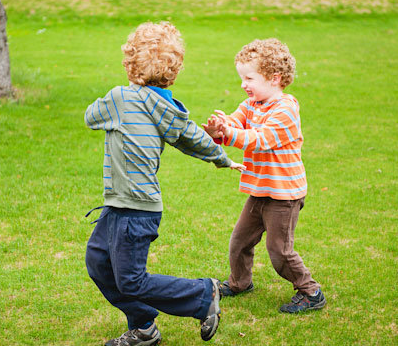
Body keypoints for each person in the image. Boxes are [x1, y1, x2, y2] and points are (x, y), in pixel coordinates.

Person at [84, 21, 245, 346]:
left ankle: (202, 295)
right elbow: (194, 138)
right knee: (99, 261)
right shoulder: (168, 109)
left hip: (133, 210)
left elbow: (90, 117)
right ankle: (144, 327)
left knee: (131, 281)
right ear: (172, 73)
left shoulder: (119, 98)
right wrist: (223, 158)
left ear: (129, 64)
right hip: (123, 206)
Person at [202, 38, 326, 314]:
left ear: (274, 78)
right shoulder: (252, 104)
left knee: (280, 251)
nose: (244, 84)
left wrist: (230, 134)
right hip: (260, 189)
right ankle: (240, 282)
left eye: (249, 78)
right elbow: (236, 121)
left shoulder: (285, 110)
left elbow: (260, 139)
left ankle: (310, 291)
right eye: (242, 78)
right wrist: (221, 128)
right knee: (240, 241)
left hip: (283, 195)